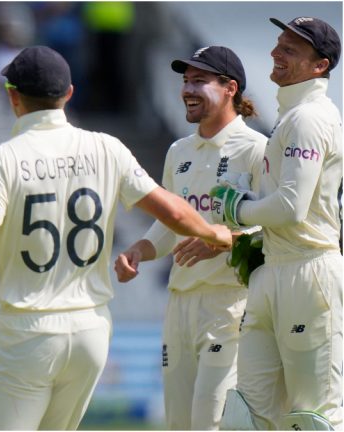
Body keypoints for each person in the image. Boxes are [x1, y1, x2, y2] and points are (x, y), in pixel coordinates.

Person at [0, 46, 233, 430]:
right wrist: (214, 232)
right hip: (90, 330)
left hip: (28, 330)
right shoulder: (107, 147)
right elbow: (172, 212)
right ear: (69, 94)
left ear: (12, 96)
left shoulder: (3, 158)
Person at [113, 46, 266, 430]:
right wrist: (140, 250)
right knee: (179, 424)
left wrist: (225, 239)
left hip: (229, 304)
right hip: (180, 306)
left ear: (230, 88)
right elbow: (168, 224)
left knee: (209, 422)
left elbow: (276, 227)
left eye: (200, 80)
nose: (188, 89)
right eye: (185, 81)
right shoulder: (178, 151)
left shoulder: (256, 149)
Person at [214, 17, 342, 430]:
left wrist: (239, 210)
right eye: (278, 43)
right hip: (273, 269)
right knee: (246, 416)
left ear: (319, 66)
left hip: (309, 272)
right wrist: (251, 213)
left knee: (313, 417)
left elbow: (291, 208)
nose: (275, 53)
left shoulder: (308, 118)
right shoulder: (291, 117)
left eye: (290, 49)